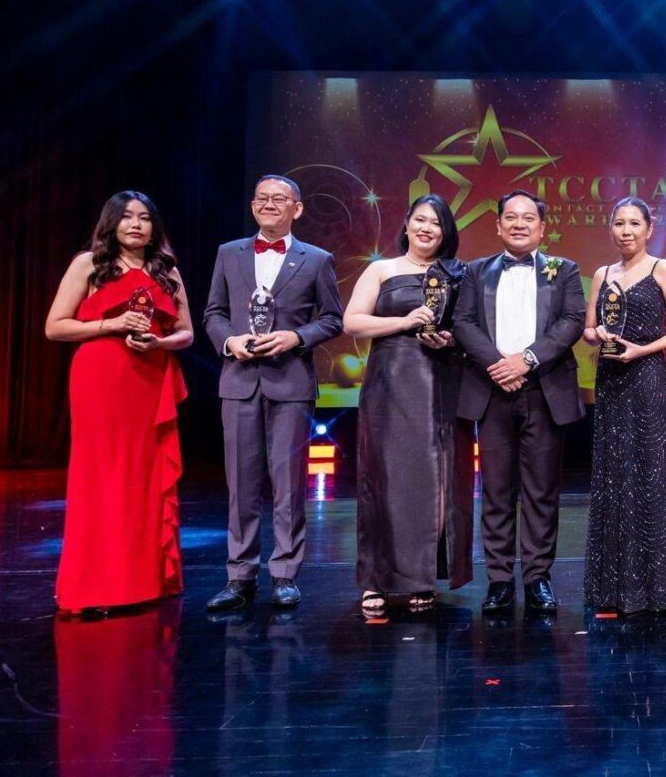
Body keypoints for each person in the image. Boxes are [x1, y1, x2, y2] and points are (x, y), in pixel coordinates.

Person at [45, 192, 193, 613]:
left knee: (144, 477)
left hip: (150, 381)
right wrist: (109, 324)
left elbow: (186, 333)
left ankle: (145, 581)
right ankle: (95, 586)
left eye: (144, 218)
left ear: (154, 227)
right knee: (101, 476)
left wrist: (158, 342)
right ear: (111, 224)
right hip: (101, 379)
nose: (136, 225)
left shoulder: (166, 270)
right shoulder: (89, 264)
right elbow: (55, 327)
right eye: (127, 217)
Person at [203, 175, 344, 611]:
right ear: (252, 206)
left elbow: (333, 319)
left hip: (291, 384)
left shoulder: (316, 259)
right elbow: (213, 313)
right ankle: (239, 576)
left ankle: (284, 574)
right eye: (261, 198)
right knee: (240, 485)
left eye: (278, 199)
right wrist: (230, 341)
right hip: (239, 381)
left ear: (296, 208)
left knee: (288, 486)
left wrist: (295, 337)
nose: (269, 204)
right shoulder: (228, 253)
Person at [453, 190, 586, 614]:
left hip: (544, 389)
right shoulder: (475, 272)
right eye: (510, 217)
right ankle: (498, 579)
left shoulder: (564, 270)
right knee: (495, 489)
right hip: (492, 388)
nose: (519, 224)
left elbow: (572, 321)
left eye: (528, 218)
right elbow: (463, 322)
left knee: (541, 491)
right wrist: (499, 365)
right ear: (497, 226)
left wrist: (526, 360)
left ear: (542, 228)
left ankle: (537, 577)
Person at [345, 194, 472, 615]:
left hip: (440, 382)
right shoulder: (382, 269)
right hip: (390, 384)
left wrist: (449, 339)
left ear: (445, 232)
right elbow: (352, 322)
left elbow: (469, 328)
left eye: (435, 222)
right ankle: (376, 580)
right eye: (420, 219)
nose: (426, 228)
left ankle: (422, 578)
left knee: (433, 480)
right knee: (383, 478)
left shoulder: (458, 274)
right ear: (407, 224)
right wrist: (403, 321)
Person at [582, 196, 666, 613]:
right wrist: (597, 335)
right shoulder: (602, 274)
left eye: (634, 223)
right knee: (613, 474)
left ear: (649, 229)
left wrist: (642, 350)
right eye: (619, 223)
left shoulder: (661, 268)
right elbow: (589, 328)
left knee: (647, 470)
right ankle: (611, 588)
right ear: (610, 228)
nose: (626, 231)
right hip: (611, 378)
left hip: (645, 376)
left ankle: (655, 589)